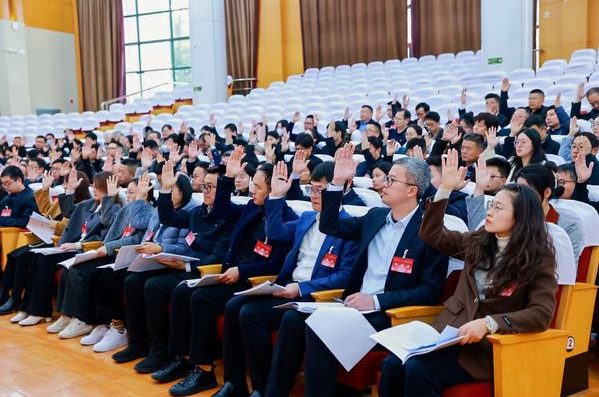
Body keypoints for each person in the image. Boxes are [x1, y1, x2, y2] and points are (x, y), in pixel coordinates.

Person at [378, 149, 557, 397]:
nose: (490, 212)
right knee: (393, 363)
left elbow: (541, 314)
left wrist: (490, 323)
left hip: (486, 347)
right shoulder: (480, 241)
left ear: (521, 217)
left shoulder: (538, 258)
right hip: (449, 335)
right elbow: (432, 234)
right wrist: (444, 190)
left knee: (419, 369)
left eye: (499, 208)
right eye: (491, 205)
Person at [300, 144, 448, 396]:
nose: (383, 185)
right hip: (355, 307)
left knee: (321, 328)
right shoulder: (376, 216)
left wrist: (376, 301)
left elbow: (430, 291)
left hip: (391, 314)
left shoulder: (429, 232)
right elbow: (330, 226)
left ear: (412, 190)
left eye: (391, 180)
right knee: (309, 323)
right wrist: (337, 183)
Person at [155, 146, 297, 396]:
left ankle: (238, 382)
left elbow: (275, 265)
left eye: (258, 186)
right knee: (193, 294)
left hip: (255, 282)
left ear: (274, 188)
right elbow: (221, 209)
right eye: (252, 184)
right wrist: (228, 178)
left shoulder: (286, 218)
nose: (252, 190)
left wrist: (241, 271)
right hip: (233, 275)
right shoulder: (252, 207)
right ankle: (202, 369)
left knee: (221, 304)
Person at [212, 161, 359, 397]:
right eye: (311, 189)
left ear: (339, 189)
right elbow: (275, 232)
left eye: (321, 190)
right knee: (234, 305)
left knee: (251, 314)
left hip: (314, 297)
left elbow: (344, 276)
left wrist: (301, 288)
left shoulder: (349, 227)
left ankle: (264, 388)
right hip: (287, 288)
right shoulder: (307, 218)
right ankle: (236, 383)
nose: (314, 196)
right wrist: (277, 196)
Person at [114, 165, 233, 367]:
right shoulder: (200, 211)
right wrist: (165, 190)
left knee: (156, 286)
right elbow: (169, 217)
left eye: (211, 187)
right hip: (185, 263)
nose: (205, 191)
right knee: (133, 280)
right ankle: (139, 343)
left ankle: (163, 352)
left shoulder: (228, 217)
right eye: (204, 186)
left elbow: (217, 257)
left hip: (201, 269)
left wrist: (185, 266)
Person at [48, 175, 152, 339]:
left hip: (124, 255)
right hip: (110, 251)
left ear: (145, 192)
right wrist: (109, 197)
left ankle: (86, 320)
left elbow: (136, 238)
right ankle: (71, 315)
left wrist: (139, 201)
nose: (129, 196)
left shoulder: (149, 211)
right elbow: (107, 220)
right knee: (74, 268)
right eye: (129, 192)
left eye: (133, 193)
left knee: (89, 273)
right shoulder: (126, 208)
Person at [15, 172, 114, 326]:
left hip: (85, 249)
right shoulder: (88, 204)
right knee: (40, 257)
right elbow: (68, 212)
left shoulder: (114, 208)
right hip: (71, 246)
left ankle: (56, 314)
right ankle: (35, 310)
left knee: (49, 261)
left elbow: (105, 227)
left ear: (109, 188)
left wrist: (109, 199)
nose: (94, 189)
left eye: (99, 187)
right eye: (93, 185)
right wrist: (70, 191)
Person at [0, 170, 90, 316]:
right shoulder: (63, 199)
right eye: (65, 182)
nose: (65, 185)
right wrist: (45, 189)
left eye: (69, 182)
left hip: (60, 242)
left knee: (24, 257)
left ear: (79, 185)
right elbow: (46, 210)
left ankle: (17, 300)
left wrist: (50, 224)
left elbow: (68, 228)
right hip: (47, 237)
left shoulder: (84, 204)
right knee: (13, 255)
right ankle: (7, 297)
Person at [285, 150, 366, 207]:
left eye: (319, 189)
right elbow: (294, 198)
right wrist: (296, 174)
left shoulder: (357, 206)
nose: (313, 195)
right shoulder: (317, 197)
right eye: (312, 189)